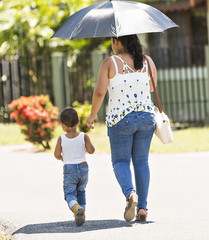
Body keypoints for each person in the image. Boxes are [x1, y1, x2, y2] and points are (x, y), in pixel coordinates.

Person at [86, 34, 157, 222]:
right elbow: (151, 87)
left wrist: (92, 115)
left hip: (121, 119)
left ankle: (130, 194)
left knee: (120, 162)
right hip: (146, 117)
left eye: (111, 41)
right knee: (141, 162)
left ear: (116, 41)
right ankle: (142, 209)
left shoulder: (110, 63)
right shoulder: (147, 61)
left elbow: (100, 91)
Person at [54, 108, 95, 226]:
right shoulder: (83, 136)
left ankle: (76, 208)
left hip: (69, 169)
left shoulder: (61, 138)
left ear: (62, 125)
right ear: (78, 122)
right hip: (83, 168)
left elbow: (57, 155)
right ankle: (82, 213)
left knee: (70, 194)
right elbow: (91, 151)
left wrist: (62, 158)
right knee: (81, 191)